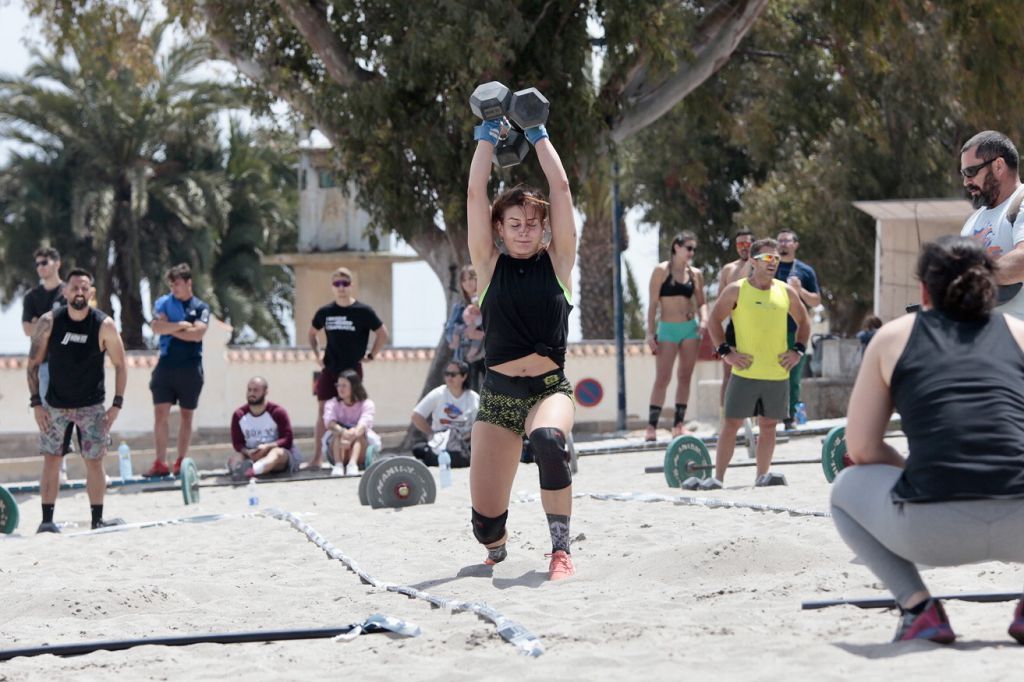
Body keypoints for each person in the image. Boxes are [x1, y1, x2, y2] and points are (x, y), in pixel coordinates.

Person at [830, 236, 1024, 644]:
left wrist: (908, 468)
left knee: (844, 489)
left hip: (931, 530)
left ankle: (919, 609)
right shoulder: (1020, 334)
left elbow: (860, 449)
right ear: (991, 285)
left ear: (923, 290)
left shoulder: (893, 337)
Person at [467, 105, 578, 581]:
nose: (525, 229)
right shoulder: (489, 268)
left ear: (544, 228)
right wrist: (487, 136)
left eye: (533, 222)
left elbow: (561, 188)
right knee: (485, 526)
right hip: (498, 398)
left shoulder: (559, 263)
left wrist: (537, 134)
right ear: (499, 228)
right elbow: (475, 192)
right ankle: (499, 543)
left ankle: (560, 551)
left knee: (550, 442)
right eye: (515, 222)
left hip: (548, 390)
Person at [27, 268, 127, 532]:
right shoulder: (49, 322)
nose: (79, 292)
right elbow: (32, 364)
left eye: (84, 288)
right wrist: (36, 404)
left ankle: (97, 519)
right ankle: (47, 521)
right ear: (65, 291)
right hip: (55, 406)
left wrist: (116, 405)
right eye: (74, 288)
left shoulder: (103, 324)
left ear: (91, 293)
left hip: (91, 406)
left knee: (94, 461)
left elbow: (121, 364)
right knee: (51, 459)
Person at [705, 238, 810, 489]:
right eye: (767, 258)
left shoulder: (785, 291)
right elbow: (713, 321)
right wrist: (726, 353)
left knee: (769, 425)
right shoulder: (736, 290)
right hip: (744, 372)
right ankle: (718, 479)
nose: (773, 263)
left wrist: (797, 351)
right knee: (731, 424)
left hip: (776, 373)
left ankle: (762, 476)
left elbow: (804, 323)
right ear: (753, 261)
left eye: (776, 258)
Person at [308, 267, 389, 469]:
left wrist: (371, 355)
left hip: (353, 370)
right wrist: (317, 354)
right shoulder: (325, 312)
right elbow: (312, 333)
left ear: (351, 285)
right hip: (330, 368)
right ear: (332, 287)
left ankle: (355, 455)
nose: (341, 288)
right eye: (337, 284)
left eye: (345, 283)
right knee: (322, 411)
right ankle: (317, 457)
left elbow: (382, 334)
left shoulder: (363, 311)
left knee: (356, 409)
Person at [144, 263, 210, 477]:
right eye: (171, 284)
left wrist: (171, 328)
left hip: (191, 366)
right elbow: (156, 327)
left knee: (186, 415)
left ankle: (181, 460)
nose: (174, 288)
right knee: (160, 413)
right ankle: (160, 462)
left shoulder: (200, 307)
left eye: (178, 284)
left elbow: (198, 334)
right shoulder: (164, 302)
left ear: (188, 283)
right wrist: (181, 325)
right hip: (166, 364)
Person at [644, 231, 708, 441]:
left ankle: (678, 425)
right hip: (668, 329)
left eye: (694, 249)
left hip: (690, 328)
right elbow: (653, 303)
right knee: (662, 377)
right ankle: (651, 426)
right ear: (676, 247)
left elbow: (702, 302)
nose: (691, 252)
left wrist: (704, 320)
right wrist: (650, 332)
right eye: (688, 248)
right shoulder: (661, 270)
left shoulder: (695, 273)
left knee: (685, 376)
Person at [958, 130, 1024, 318]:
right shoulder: (972, 221)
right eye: (963, 174)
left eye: (970, 172)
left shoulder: (1021, 201)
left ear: (998, 166)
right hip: (979, 340)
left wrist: (973, 280)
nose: (965, 182)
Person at [22, 246, 76, 467]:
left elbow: (70, 323)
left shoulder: (69, 292)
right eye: (37, 264)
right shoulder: (31, 297)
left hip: (72, 364)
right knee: (48, 417)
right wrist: (51, 324)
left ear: (57, 263)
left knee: (82, 415)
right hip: (44, 365)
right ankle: (59, 469)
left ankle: (94, 470)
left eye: (44, 262)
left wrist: (41, 324)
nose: (40, 268)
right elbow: (27, 329)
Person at [775, 230, 820, 429]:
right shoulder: (770, 267)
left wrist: (799, 290)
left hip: (795, 330)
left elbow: (816, 301)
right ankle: (768, 415)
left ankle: (789, 417)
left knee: (793, 377)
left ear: (796, 244)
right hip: (771, 329)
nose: (783, 244)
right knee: (770, 374)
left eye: (787, 241)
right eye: (780, 241)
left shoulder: (805, 271)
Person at [228, 377, 303, 480]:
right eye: (249, 390)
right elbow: (237, 443)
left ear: (266, 392)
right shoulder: (239, 415)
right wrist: (247, 452)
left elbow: (287, 439)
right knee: (237, 457)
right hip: (251, 454)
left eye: (256, 390)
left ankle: (251, 471)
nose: (251, 393)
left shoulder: (277, 412)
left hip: (276, 456)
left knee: (277, 453)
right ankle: (238, 471)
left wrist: (267, 447)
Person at [411, 360, 480, 468]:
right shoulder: (438, 393)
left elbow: (481, 423)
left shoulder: (473, 398)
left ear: (464, 376)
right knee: (417, 449)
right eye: (447, 374)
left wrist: (468, 437)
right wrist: (431, 434)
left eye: (453, 374)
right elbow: (416, 416)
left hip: (463, 444)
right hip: (440, 441)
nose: (449, 378)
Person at [716, 230, 754, 407]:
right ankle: (725, 418)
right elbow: (720, 302)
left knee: (757, 373)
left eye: (747, 244)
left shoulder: (762, 267)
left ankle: (756, 419)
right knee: (729, 374)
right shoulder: (728, 269)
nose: (744, 248)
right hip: (735, 326)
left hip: (758, 326)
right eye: (740, 244)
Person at [322, 369, 380, 477]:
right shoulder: (332, 404)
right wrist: (343, 432)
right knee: (336, 432)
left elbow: (364, 423)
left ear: (354, 386)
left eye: (344, 385)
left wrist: (352, 435)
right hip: (337, 445)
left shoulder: (367, 404)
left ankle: (352, 464)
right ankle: (338, 464)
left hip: (360, 444)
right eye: (338, 385)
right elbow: (329, 422)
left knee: (359, 434)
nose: (340, 388)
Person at [445, 265, 486, 391]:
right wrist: (467, 333)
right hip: (465, 358)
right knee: (470, 393)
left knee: (489, 394)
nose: (467, 283)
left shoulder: (488, 301)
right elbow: (449, 332)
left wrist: (480, 333)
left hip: (487, 356)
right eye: (464, 280)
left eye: (471, 278)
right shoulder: (459, 306)